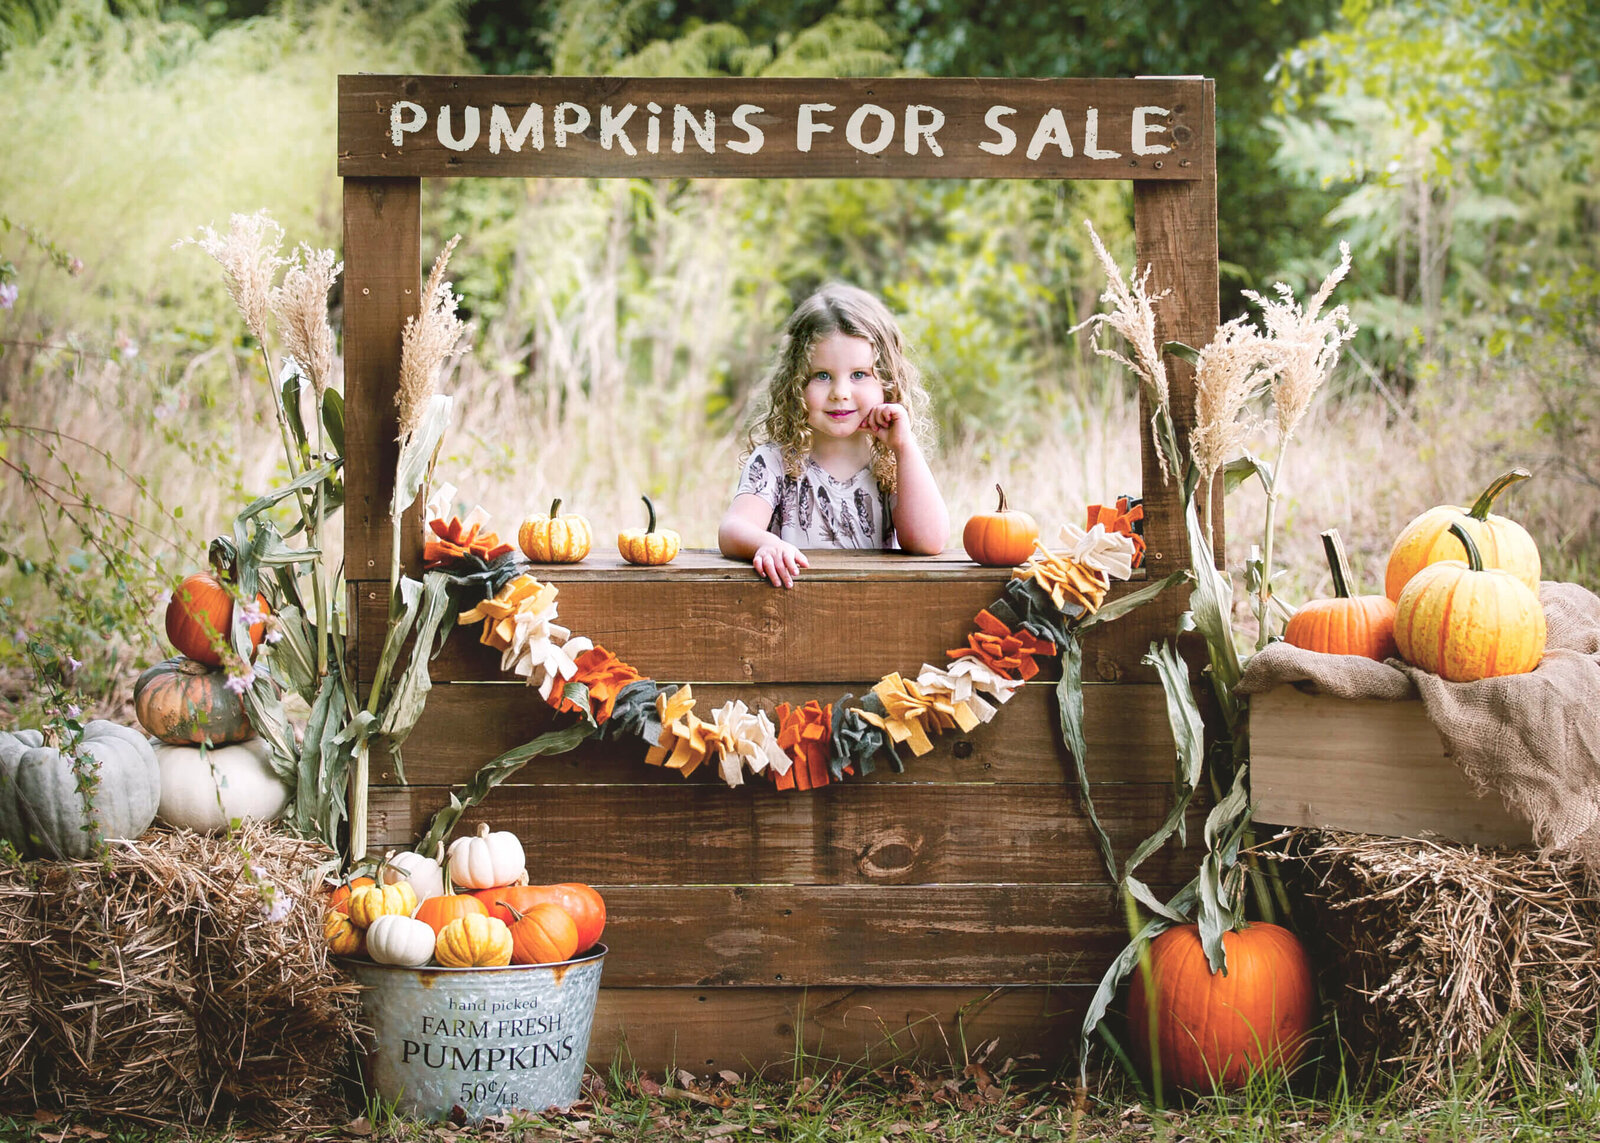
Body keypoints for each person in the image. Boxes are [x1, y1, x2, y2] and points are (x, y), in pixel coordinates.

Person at [718, 283, 949, 587]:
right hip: (789, 619)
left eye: (859, 375)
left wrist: (904, 448)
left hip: (875, 617)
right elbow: (733, 528)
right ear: (796, 384)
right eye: (822, 376)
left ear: (888, 383)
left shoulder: (891, 466)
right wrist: (764, 543)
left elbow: (928, 542)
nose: (841, 394)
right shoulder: (776, 461)